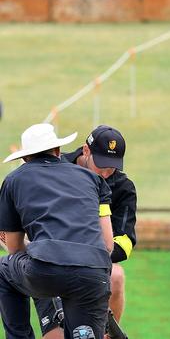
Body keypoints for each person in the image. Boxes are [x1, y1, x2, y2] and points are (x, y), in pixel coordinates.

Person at [0, 123, 113, 339]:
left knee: (3, 270)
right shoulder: (92, 179)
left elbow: (14, 248)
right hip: (94, 273)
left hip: (46, 269)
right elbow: (108, 244)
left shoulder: (14, 180)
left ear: (24, 158)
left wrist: (36, 249)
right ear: (59, 151)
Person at [34, 125, 136, 339]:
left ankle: (106, 333)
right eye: (102, 166)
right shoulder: (56, 168)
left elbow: (125, 241)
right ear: (86, 151)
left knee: (116, 275)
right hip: (51, 256)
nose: (107, 173)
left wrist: (90, 255)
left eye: (112, 167)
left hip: (95, 262)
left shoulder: (124, 187)